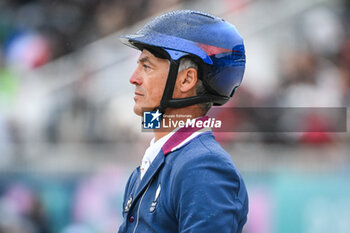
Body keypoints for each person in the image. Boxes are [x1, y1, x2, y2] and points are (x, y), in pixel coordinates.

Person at [118, 10, 248, 233]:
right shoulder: (157, 161)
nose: (133, 78)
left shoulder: (203, 166)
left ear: (187, 79)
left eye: (146, 66)